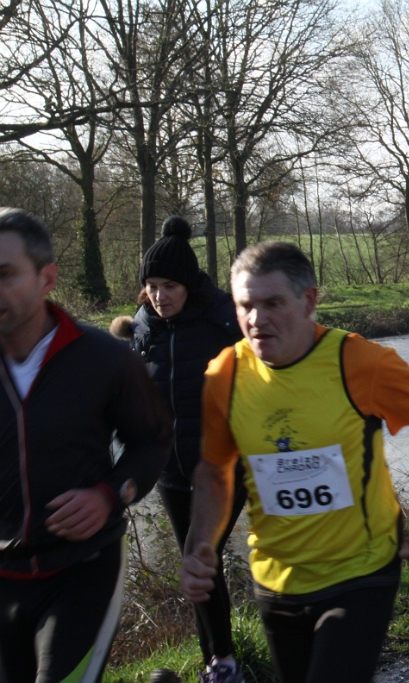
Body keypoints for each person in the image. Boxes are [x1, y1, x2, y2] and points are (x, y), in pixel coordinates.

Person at [178, 242, 409, 683]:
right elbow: (215, 472)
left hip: (360, 572)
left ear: (308, 301)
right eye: (245, 305)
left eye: (273, 303)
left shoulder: (361, 362)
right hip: (276, 579)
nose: (256, 319)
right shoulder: (225, 374)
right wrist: (200, 548)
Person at [0, 208, 172, 683]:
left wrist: (109, 494)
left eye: (5, 274)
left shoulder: (103, 359)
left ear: (47, 278)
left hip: (83, 570)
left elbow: (153, 440)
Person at [130, 216, 246, 683]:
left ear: (190, 285)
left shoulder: (223, 320)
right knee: (197, 564)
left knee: (203, 554)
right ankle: (219, 662)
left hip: (226, 467)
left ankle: (235, 658)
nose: (159, 296)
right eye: (152, 287)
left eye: (170, 286)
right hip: (172, 471)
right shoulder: (144, 326)